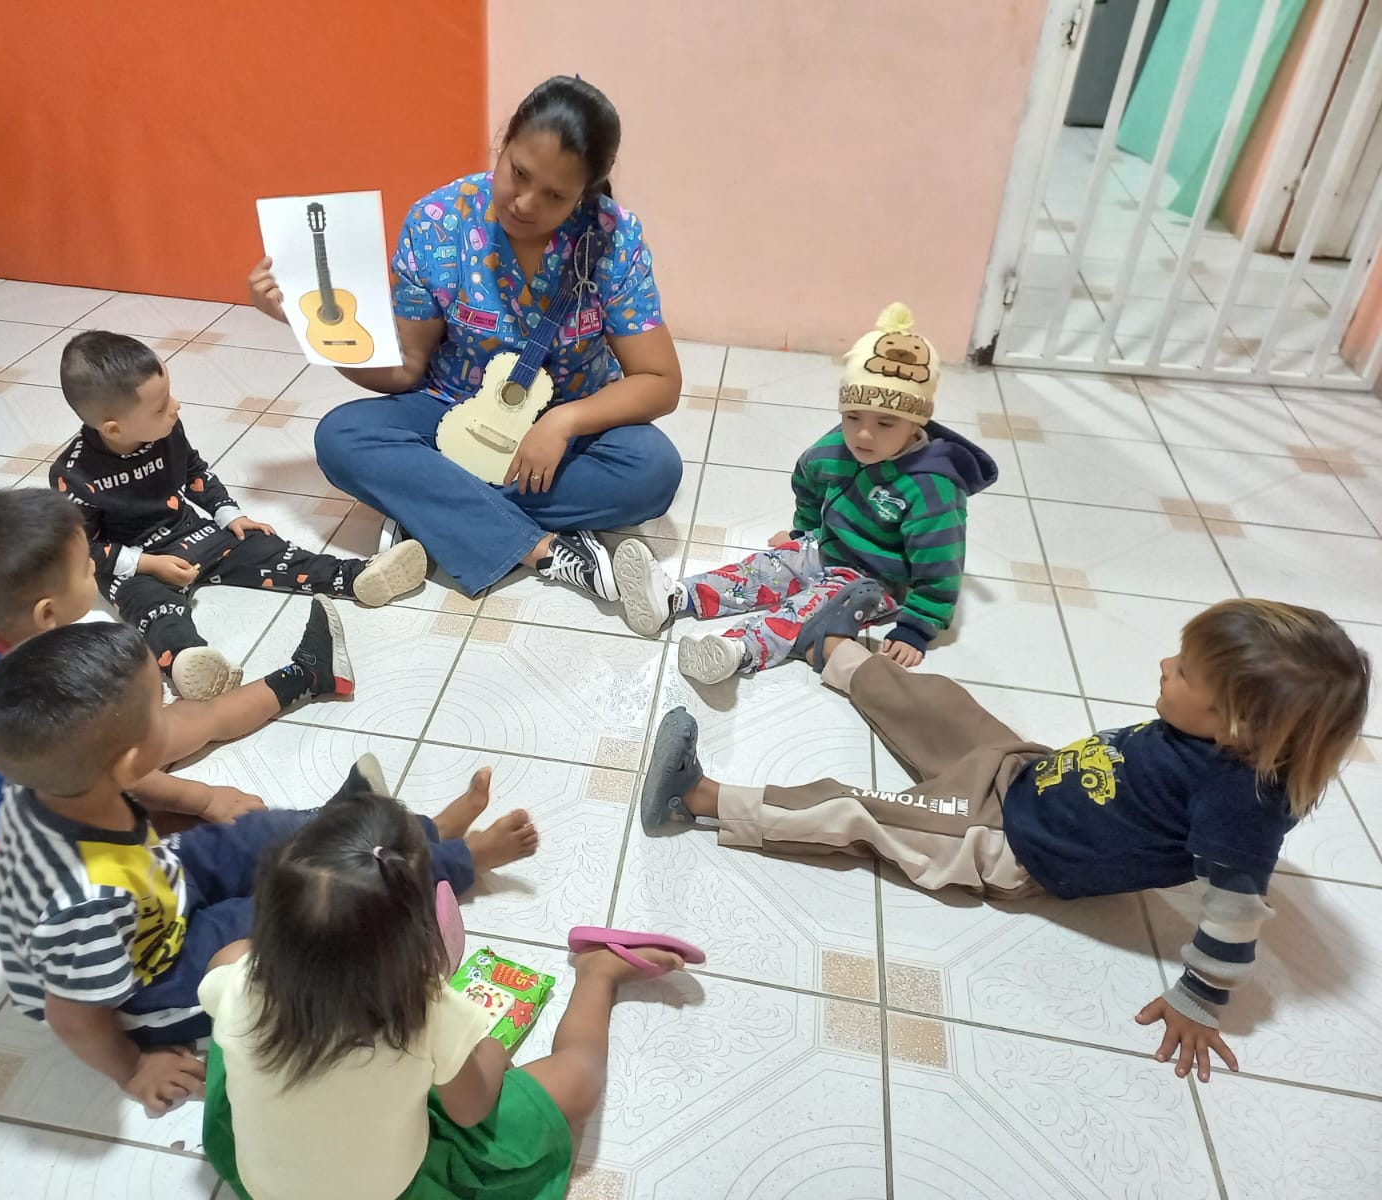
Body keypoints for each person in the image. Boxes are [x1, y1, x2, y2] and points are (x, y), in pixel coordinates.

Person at [639, 598, 1370, 1081]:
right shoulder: (1223, 739)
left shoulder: (1239, 807)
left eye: (1183, 673)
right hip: (1028, 775)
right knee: (941, 703)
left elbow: (1237, 911)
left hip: (1009, 844)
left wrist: (1200, 1000)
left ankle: (696, 798)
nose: (1163, 667)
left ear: (1236, 725)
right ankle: (830, 648)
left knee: (860, 812)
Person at [0, 622, 538, 1113]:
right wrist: (132, 1069)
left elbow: (136, 783)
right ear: (127, 761)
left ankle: (421, 833)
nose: (174, 710)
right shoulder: (80, 907)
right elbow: (73, 1014)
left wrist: (201, 800)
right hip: (156, 969)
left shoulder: (60, 781)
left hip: (159, 879)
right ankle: (458, 860)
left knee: (264, 835)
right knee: (307, 911)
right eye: (161, 707)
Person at [248, 75, 683, 601]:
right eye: (518, 173)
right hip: (452, 408)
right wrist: (309, 326)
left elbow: (659, 380)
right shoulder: (437, 222)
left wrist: (565, 421)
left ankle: (433, 505)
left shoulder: (614, 237)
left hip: (567, 424)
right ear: (504, 143)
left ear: (585, 194)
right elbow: (406, 368)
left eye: (555, 195)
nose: (525, 203)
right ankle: (543, 549)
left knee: (653, 470)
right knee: (342, 438)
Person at [197, 787, 699, 1200]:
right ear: (418, 945)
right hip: (400, 1189)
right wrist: (491, 1049)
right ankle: (598, 974)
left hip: (266, 1184)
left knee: (239, 1020)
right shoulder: (426, 1009)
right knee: (577, 1079)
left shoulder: (234, 974)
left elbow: (236, 959)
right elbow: (471, 1109)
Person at [0, 486, 349, 847]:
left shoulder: (0, 634)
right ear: (47, 613)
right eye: (85, 568)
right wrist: (204, 798)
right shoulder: (46, 689)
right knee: (198, 831)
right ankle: (319, 837)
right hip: (52, 834)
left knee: (186, 717)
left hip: (58, 784)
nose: (95, 567)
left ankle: (309, 674)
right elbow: (122, 775)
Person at [611, 302, 997, 683]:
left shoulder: (932, 487)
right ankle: (675, 597)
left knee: (811, 608)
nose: (864, 434)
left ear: (917, 422)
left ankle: (738, 649)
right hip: (826, 545)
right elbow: (808, 480)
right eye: (852, 417)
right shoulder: (839, 447)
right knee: (761, 569)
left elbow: (941, 566)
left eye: (885, 423)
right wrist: (802, 533)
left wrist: (917, 627)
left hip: (877, 580)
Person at [49, 331, 427, 700]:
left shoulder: (166, 429)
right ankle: (186, 660)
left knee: (263, 546)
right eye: (161, 407)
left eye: (170, 396)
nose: (176, 407)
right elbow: (85, 550)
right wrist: (149, 564)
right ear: (114, 428)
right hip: (133, 565)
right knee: (152, 608)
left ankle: (356, 577)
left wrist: (228, 514)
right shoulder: (74, 474)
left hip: (191, 533)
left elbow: (194, 471)